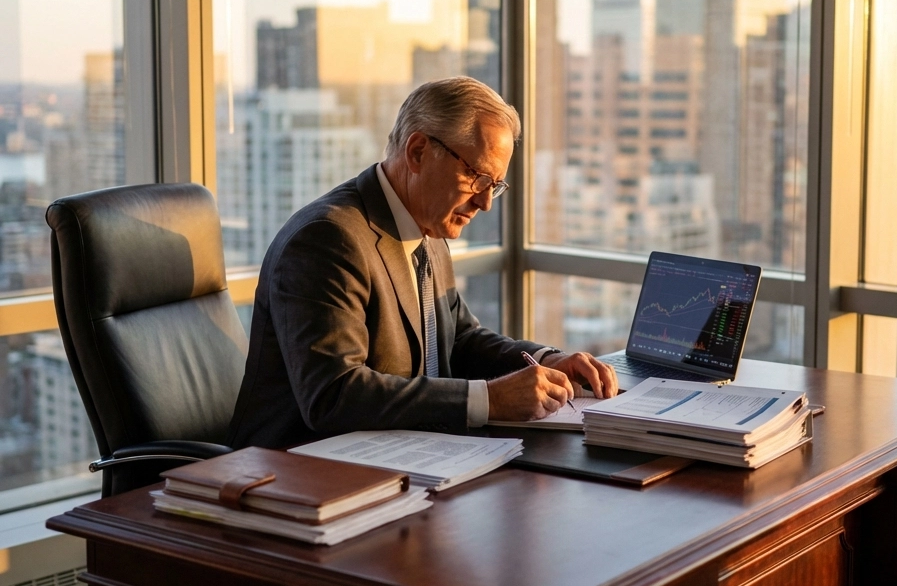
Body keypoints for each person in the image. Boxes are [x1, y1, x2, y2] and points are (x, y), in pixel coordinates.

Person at [229, 76, 618, 449]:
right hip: (300, 474)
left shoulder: (425, 226)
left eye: (494, 186)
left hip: (406, 454)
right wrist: (490, 400)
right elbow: (334, 395)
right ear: (418, 152)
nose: (484, 202)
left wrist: (551, 361)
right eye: (478, 177)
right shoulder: (327, 239)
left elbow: (460, 339)